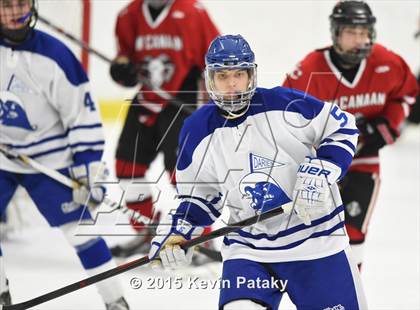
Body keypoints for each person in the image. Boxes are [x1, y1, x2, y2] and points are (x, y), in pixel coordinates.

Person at [148, 34, 367, 309]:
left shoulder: (284, 103)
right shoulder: (196, 129)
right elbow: (199, 196)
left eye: (239, 74)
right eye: (222, 75)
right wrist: (179, 230)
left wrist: (323, 168)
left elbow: (343, 126)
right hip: (249, 248)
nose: (231, 83)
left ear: (251, 75)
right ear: (210, 79)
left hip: (316, 241)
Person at [0, 1, 129, 308]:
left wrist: (88, 168)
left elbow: (81, 116)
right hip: (3, 156)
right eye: (6, 4)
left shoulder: (55, 56)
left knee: (80, 231)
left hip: (50, 158)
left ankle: (116, 301)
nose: (14, 11)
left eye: (21, 3)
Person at [282, 0, 419, 269]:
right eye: (351, 32)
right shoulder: (309, 70)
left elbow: (406, 95)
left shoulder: (387, 63)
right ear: (336, 33)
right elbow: (285, 117)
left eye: (364, 32)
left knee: (354, 233)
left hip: (363, 160)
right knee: (315, 235)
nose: (359, 39)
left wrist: (385, 126)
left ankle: (351, 292)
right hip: (319, 167)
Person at [109, 0, 219, 258]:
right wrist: (122, 69)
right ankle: (146, 230)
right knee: (127, 166)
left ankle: (201, 236)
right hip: (147, 99)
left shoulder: (193, 12)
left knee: (181, 172)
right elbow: (125, 57)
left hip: (183, 98)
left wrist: (213, 106)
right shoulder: (128, 15)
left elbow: (215, 59)